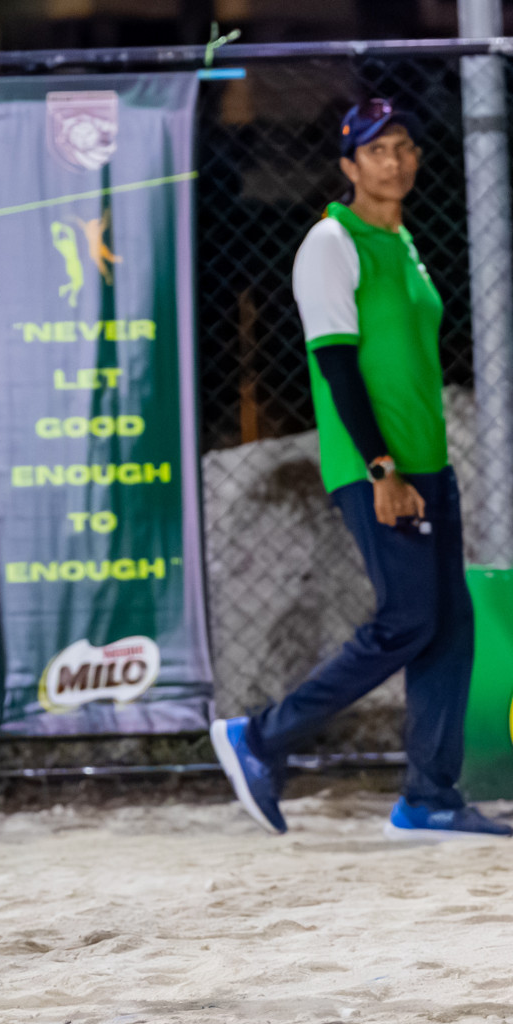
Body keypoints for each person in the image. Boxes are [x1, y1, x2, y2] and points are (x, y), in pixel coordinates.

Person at [210, 99, 511, 841]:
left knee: (450, 628)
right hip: (377, 467)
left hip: (427, 467)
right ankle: (260, 737)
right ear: (349, 165)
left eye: (404, 146)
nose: (395, 161)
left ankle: (430, 798)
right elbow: (337, 365)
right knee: (408, 620)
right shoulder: (331, 241)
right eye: (377, 149)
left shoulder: (400, 241)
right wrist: (382, 468)